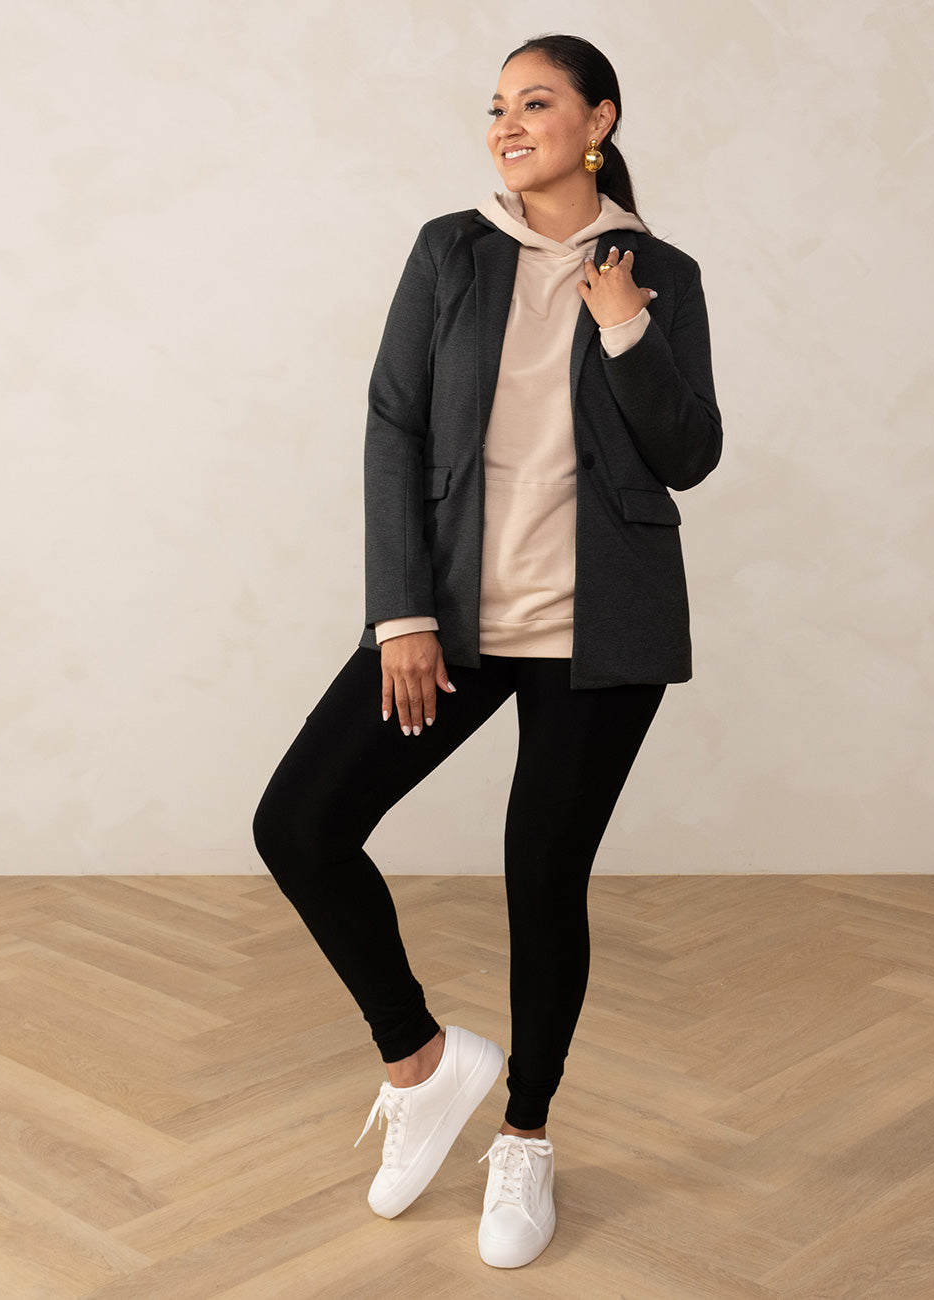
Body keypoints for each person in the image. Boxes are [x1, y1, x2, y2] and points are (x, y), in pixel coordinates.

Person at [252, 32, 722, 1270]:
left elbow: (689, 453)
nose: (507, 124)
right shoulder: (449, 248)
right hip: (453, 621)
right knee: (298, 823)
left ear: (598, 120)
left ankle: (525, 1136)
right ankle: (422, 1059)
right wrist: (400, 614)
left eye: (536, 102)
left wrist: (625, 329)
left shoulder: (657, 269)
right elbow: (392, 423)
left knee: (540, 880)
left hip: (600, 638)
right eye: (496, 107)